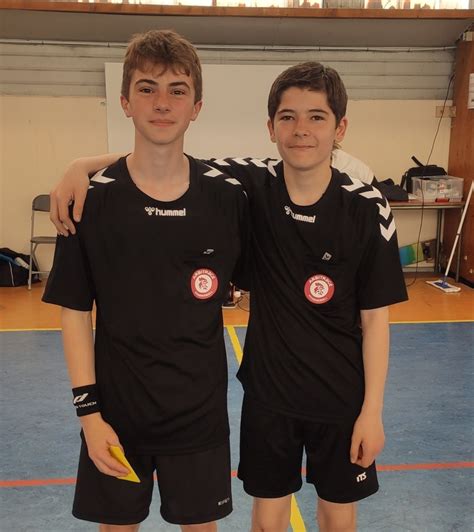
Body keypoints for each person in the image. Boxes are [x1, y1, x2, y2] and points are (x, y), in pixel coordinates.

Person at [50, 60, 408, 531]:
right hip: (269, 398)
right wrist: (82, 165)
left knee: (340, 522)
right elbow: (161, 152)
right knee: (267, 520)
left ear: (339, 127)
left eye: (317, 117)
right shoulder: (250, 184)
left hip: (342, 400)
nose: (301, 130)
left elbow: (376, 320)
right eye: (288, 117)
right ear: (270, 127)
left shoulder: (367, 207)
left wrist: (372, 411)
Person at [43, 29, 249, 531]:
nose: (162, 103)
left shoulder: (229, 199)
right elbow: (75, 313)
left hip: (199, 418)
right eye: (147, 88)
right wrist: (88, 415)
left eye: (177, 90)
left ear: (196, 106)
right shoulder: (91, 202)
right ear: (124, 102)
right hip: (115, 416)